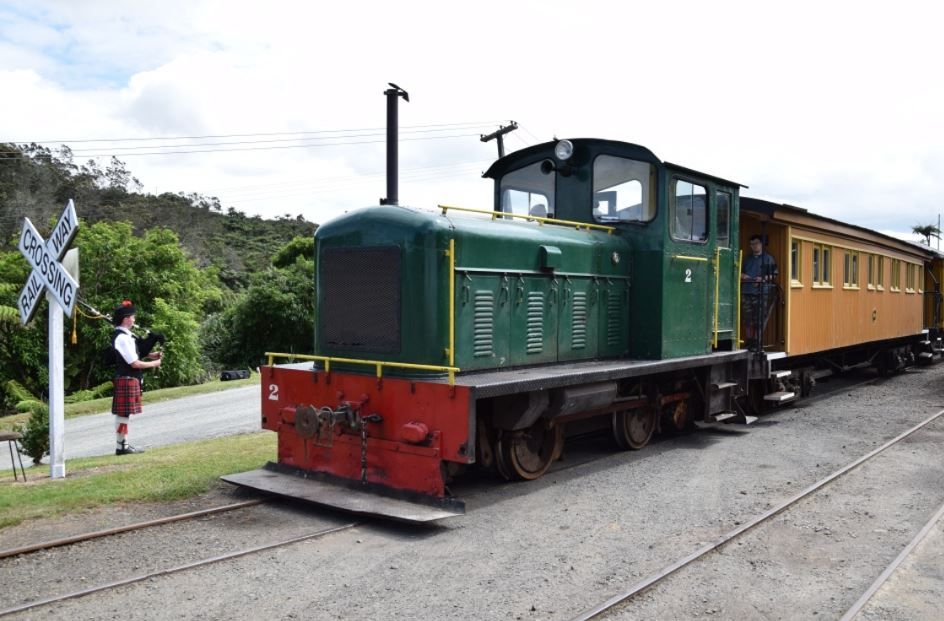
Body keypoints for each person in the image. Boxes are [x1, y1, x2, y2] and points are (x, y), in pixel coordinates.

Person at [110, 300, 162, 455]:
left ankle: (123, 445)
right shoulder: (123, 338)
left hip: (128, 379)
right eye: (132, 317)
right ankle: (121, 447)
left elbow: (134, 353)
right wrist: (154, 364)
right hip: (126, 378)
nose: (134, 320)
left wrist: (152, 355)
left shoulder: (127, 336)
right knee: (123, 414)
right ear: (126, 319)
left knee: (124, 415)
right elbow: (133, 363)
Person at [741, 235, 779, 348]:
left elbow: (774, 275)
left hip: (761, 293)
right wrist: (745, 276)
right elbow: (740, 273)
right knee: (747, 319)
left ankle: (757, 342)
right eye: (752, 244)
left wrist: (763, 279)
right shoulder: (747, 259)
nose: (754, 246)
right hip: (747, 292)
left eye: (756, 243)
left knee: (759, 319)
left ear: (761, 244)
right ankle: (750, 341)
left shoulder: (768, 258)